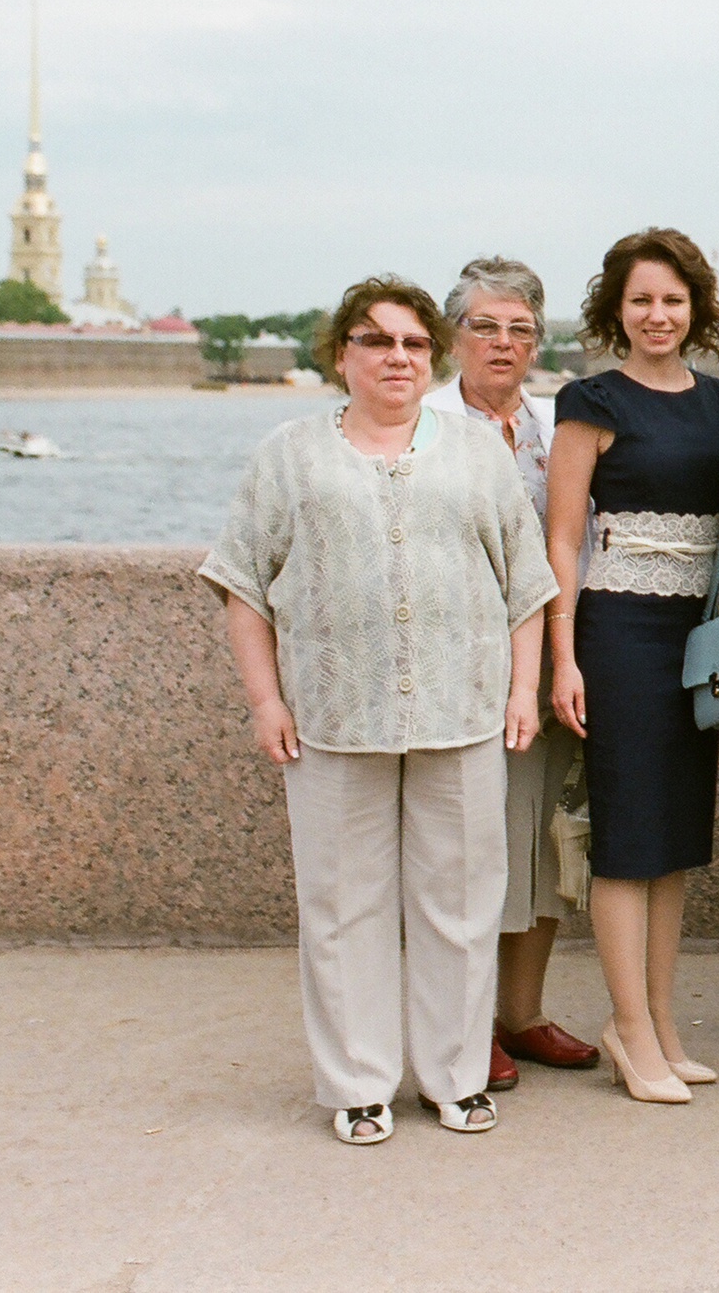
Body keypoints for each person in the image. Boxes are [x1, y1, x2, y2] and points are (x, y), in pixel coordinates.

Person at [203, 277, 556, 1145]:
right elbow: (242, 583)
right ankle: (358, 1082)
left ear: (429, 358)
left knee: (463, 901)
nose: (397, 358)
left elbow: (527, 584)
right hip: (332, 715)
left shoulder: (476, 453)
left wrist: (521, 690)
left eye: (413, 344)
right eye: (377, 341)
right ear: (342, 356)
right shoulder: (290, 455)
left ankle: (455, 1075)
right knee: (340, 902)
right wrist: (264, 699)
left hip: (462, 709)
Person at [546, 229, 719, 1106]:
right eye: (641, 300)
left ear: (696, 308)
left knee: (674, 843)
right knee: (628, 842)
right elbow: (561, 537)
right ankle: (628, 1029)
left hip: (695, 637)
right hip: (616, 634)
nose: (657, 315)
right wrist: (563, 657)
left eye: (672, 300)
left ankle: (663, 1021)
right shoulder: (589, 400)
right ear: (616, 310)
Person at [420, 256, 601, 1093]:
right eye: (484, 326)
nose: (503, 342)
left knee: (539, 844)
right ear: (453, 336)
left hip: (549, 667)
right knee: (465, 851)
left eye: (520, 328)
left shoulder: (558, 423)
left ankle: (521, 1015)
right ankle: (461, 1022)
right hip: (453, 671)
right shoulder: (416, 424)